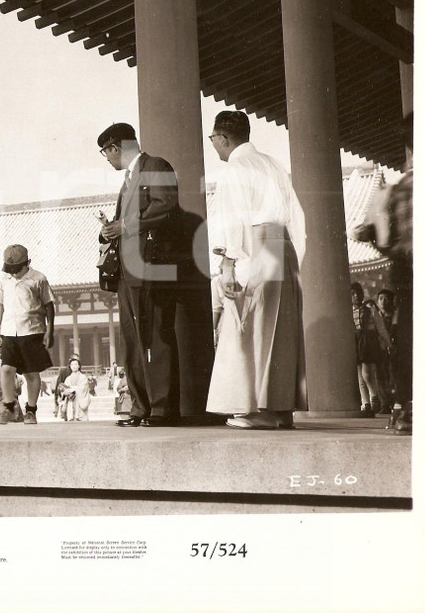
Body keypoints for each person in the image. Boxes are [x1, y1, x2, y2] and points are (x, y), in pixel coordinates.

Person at [206, 110, 306, 429]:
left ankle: (261, 409)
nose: (213, 144)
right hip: (283, 244)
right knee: (281, 328)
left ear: (223, 137)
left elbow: (232, 221)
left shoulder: (236, 168)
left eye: (213, 138)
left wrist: (227, 265)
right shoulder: (272, 164)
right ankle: (281, 409)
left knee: (253, 323)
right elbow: (296, 215)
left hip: (258, 244)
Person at [97, 122, 193, 427]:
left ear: (115, 147)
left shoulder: (155, 166)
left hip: (151, 266)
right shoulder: (129, 178)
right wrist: (111, 228)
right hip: (128, 270)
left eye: (106, 152)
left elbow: (165, 206)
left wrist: (124, 225)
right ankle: (141, 407)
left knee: (155, 336)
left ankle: (162, 409)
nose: (107, 158)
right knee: (132, 339)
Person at [354, 112, 412, 435]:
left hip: (410, 278)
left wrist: (371, 235)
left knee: (409, 343)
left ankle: (407, 410)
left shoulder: (400, 189)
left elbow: (382, 238)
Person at [0, 244, 55, 425]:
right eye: (10, 269)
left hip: (32, 330)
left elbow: (49, 305)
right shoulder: (2, 279)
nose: (14, 273)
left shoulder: (39, 279)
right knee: (6, 369)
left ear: (28, 263)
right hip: (9, 330)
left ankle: (31, 410)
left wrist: (50, 330)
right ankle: (8, 407)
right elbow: (0, 306)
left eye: (17, 269)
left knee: (30, 373)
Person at [351, 284, 385, 416]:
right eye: (353, 294)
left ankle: (374, 397)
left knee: (366, 373)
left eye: (358, 293)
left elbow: (381, 328)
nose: (356, 296)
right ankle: (366, 404)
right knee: (360, 375)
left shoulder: (370, 310)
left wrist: (388, 344)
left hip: (368, 342)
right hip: (356, 342)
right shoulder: (349, 312)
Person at [59, 356, 92, 421]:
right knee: (71, 419)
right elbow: (64, 389)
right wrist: (65, 392)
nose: (74, 366)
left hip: (80, 401)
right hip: (70, 401)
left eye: (76, 364)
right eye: (72, 365)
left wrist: (71, 389)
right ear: (70, 366)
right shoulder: (68, 378)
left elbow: (83, 388)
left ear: (79, 366)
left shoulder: (83, 377)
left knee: (81, 419)